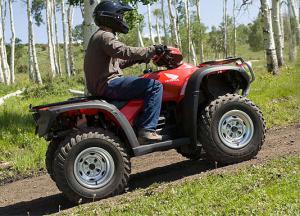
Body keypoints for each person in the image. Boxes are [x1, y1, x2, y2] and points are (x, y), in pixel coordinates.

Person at [84, 0, 167, 144]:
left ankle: (139, 123)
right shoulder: (105, 35)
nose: (122, 19)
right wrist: (152, 49)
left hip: (102, 85)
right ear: (111, 17)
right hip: (109, 84)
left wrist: (140, 58)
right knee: (155, 86)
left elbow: (118, 62)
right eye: (120, 15)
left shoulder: (98, 36)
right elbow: (124, 51)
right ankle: (147, 129)